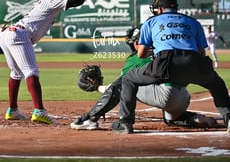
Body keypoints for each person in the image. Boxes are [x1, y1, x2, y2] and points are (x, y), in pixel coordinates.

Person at [112, 0, 230, 134]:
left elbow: (141, 53)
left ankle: (125, 123)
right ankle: (229, 119)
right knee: (217, 84)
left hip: (165, 64)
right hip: (193, 62)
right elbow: (202, 53)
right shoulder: (193, 22)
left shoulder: (151, 22)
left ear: (160, 10)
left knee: (129, 79)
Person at [70, 27, 218, 130]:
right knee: (171, 119)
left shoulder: (136, 58)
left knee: (123, 84)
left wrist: (97, 87)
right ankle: (196, 118)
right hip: (183, 96)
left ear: (136, 43)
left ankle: (90, 119)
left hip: (164, 96)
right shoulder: (165, 49)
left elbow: (118, 87)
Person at [0, 0, 92, 125]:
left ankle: (13, 110)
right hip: (19, 35)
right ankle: (40, 112)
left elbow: (73, 1)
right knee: (31, 72)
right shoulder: (51, 0)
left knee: (16, 74)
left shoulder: (45, 0)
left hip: (8, 34)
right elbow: (73, 2)